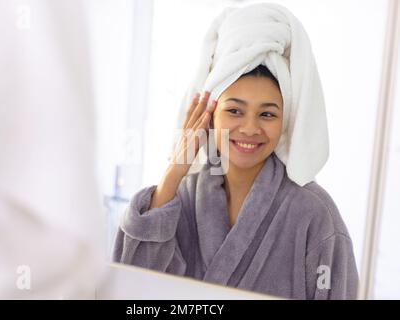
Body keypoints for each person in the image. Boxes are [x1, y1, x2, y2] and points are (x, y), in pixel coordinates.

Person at [113, 4, 359, 300]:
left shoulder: (316, 216)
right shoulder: (181, 198)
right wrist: (175, 170)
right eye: (234, 110)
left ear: (286, 121)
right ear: (209, 113)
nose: (250, 128)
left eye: (267, 114)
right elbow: (128, 290)